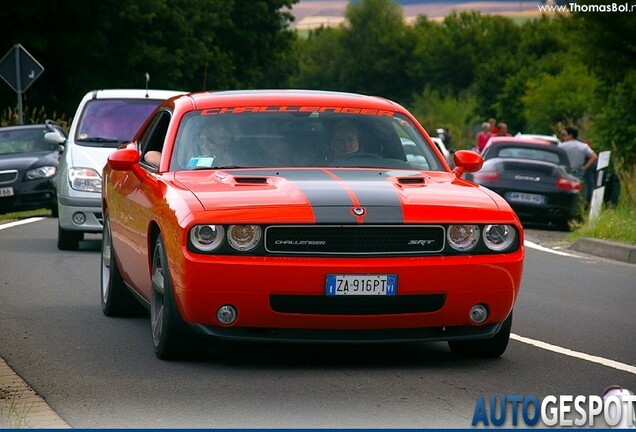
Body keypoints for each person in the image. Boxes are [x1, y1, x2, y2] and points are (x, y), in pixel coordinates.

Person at [559, 126, 598, 203]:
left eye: (565, 135)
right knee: (580, 189)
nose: (563, 137)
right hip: (578, 171)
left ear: (570, 135)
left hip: (565, 171)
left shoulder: (561, 146)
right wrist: (585, 167)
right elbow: (594, 157)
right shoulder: (583, 146)